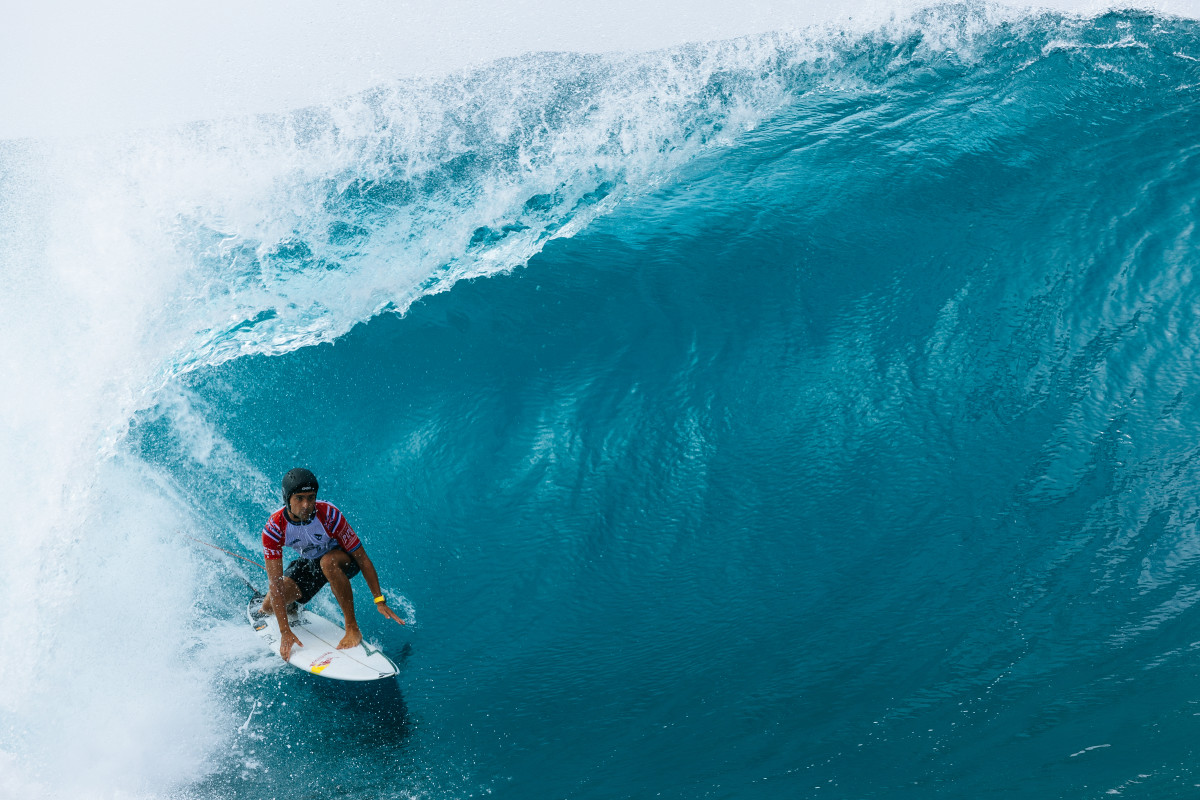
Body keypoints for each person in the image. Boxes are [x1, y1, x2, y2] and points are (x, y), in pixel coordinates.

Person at [258, 467, 405, 660]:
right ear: (287, 499)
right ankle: (292, 605)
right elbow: (275, 583)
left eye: (311, 498)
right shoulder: (275, 528)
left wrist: (379, 600)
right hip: (311, 561)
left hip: (342, 559)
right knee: (268, 607)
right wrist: (284, 630)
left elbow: (362, 558)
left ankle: (352, 627)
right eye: (299, 498)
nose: (306, 505)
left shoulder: (329, 515)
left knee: (328, 562)